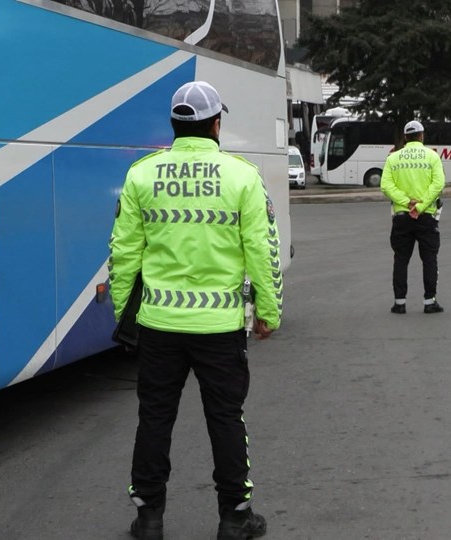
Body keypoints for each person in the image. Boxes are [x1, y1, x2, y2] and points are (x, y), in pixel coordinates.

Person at [109, 80, 282, 540]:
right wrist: (268, 310)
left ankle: (148, 518)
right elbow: (262, 252)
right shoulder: (242, 176)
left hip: (158, 325)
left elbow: (123, 253)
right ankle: (235, 517)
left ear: (174, 124)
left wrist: (123, 315)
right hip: (219, 327)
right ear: (216, 124)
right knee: (226, 418)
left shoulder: (142, 175)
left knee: (154, 418)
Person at [380, 120, 445, 314]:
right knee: (429, 259)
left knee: (401, 259)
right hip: (426, 217)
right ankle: (429, 302)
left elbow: (386, 186)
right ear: (422, 136)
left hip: (401, 217)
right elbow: (438, 184)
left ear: (405, 137)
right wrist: (421, 205)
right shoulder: (432, 157)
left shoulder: (393, 158)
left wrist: (407, 202)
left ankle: (399, 303)